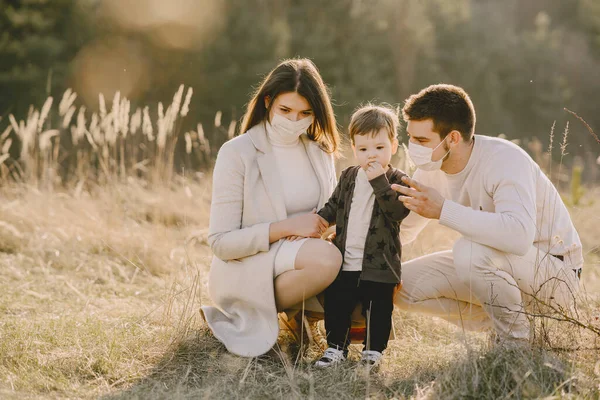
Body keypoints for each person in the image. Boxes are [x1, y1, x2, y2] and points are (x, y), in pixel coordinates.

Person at [392, 84, 582, 344]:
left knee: (469, 252)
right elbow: (403, 230)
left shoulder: (505, 159)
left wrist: (444, 210)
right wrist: (352, 248)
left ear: (453, 138)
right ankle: (504, 322)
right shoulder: (430, 168)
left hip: (555, 274)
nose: (413, 147)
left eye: (422, 140)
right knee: (399, 286)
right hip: (498, 268)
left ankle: (516, 345)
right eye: (411, 138)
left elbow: (518, 236)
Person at [201, 59, 343, 357]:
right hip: (250, 262)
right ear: (268, 102)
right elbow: (221, 242)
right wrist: (289, 228)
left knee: (367, 271)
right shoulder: (237, 152)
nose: (294, 121)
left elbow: (329, 214)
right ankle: (260, 311)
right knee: (327, 260)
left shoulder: (320, 152)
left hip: (304, 253)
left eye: (305, 113)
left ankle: (302, 314)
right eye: (286, 111)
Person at [313, 105, 410, 368]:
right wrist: (318, 222)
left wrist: (379, 181)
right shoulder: (349, 176)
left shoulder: (397, 179)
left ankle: (373, 352)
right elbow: (333, 206)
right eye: (364, 149)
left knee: (378, 309)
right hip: (345, 260)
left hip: (380, 264)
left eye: (379, 148)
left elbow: (397, 212)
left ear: (393, 145)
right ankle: (335, 348)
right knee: (337, 304)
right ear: (354, 148)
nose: (372, 155)